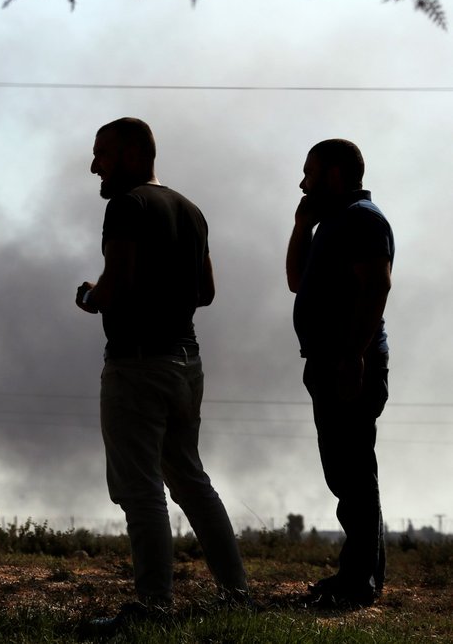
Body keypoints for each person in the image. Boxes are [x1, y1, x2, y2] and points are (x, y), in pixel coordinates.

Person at [76, 117, 248, 621]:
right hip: (185, 363)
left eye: (101, 155)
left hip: (137, 366)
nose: (94, 167)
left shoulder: (126, 207)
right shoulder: (190, 210)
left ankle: (153, 604)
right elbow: (206, 292)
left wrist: (89, 296)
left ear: (132, 155)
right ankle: (237, 596)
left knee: (140, 490)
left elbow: (118, 285)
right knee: (192, 482)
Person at [286, 139, 393, 608]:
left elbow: (376, 287)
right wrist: (301, 226)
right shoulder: (332, 223)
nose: (303, 182)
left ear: (332, 174)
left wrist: (353, 355)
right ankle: (360, 575)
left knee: (352, 471)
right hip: (328, 361)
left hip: (348, 362)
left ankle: (358, 583)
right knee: (347, 471)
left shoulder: (363, 220)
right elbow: (296, 280)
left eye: (309, 172)